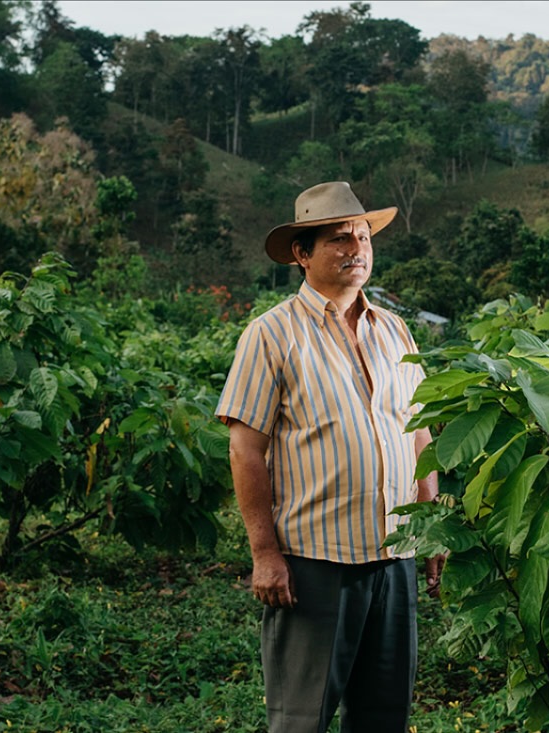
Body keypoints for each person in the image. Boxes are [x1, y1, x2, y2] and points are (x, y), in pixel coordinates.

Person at [216, 181, 442, 733]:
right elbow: (246, 449)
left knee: (383, 717)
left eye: (363, 237)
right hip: (315, 563)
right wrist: (265, 553)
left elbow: (419, 432)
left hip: (394, 558)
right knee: (301, 718)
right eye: (339, 238)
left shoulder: (394, 330)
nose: (356, 249)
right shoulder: (271, 335)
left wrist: (433, 527)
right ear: (302, 253)